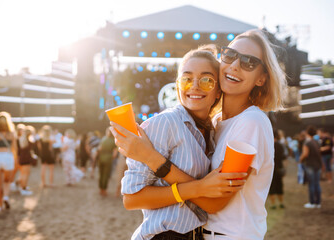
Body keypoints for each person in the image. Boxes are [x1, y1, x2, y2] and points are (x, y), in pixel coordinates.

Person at [111, 29, 287, 240]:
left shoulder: (251, 122)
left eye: (249, 62)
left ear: (261, 79)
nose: (235, 65)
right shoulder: (214, 125)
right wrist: (198, 186)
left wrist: (153, 159)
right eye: (230, 55)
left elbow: (214, 202)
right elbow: (132, 198)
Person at [300, 125, 323, 209]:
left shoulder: (307, 142)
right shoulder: (317, 142)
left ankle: (312, 202)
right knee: (317, 184)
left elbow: (305, 154)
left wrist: (300, 159)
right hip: (318, 165)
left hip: (310, 165)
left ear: (307, 132)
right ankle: (318, 202)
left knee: (311, 184)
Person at [97, 127, 118, 197]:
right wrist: (110, 157)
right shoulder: (113, 141)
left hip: (101, 158)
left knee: (101, 174)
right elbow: (115, 154)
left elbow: (99, 149)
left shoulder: (103, 139)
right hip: (108, 159)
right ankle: (104, 190)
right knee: (106, 175)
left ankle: (100, 189)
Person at [268, 129, 286, 209]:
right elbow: (284, 157)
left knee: (272, 187)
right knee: (279, 186)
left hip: (270, 169)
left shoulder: (269, 145)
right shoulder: (280, 145)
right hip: (279, 168)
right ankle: (281, 203)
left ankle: (273, 204)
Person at [17, 125, 36, 196]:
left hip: (22, 158)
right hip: (26, 159)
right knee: (25, 174)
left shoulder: (21, 139)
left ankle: (22, 187)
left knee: (23, 174)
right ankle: (23, 188)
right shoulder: (28, 140)